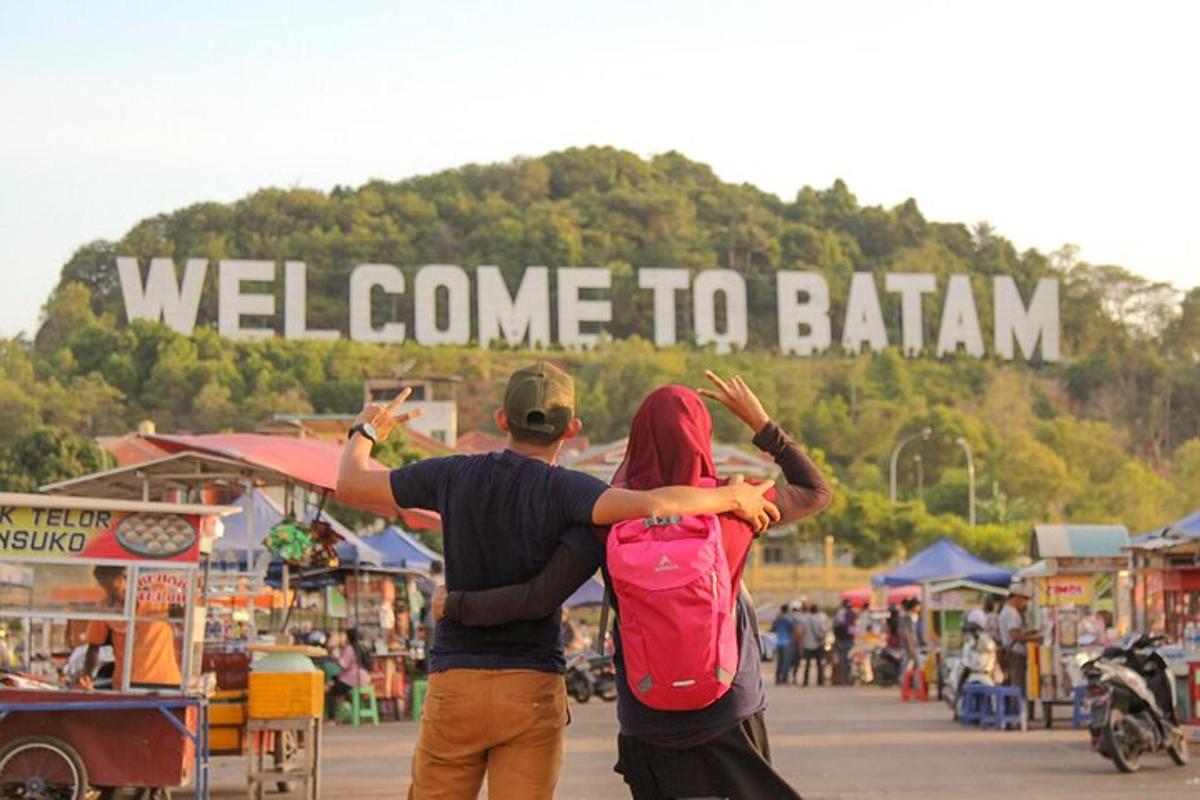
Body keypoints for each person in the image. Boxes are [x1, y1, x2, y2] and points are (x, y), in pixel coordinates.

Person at [335, 362, 780, 800]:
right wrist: (730, 495)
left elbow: (351, 484)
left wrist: (366, 431)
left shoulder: (450, 475)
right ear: (571, 430)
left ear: (501, 420)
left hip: (457, 680)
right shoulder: (572, 492)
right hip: (531, 686)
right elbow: (653, 505)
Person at [433, 373, 831, 800]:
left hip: (647, 713)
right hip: (729, 703)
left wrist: (455, 604)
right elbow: (815, 491)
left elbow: (539, 596)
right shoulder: (738, 504)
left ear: (637, 438)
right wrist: (761, 423)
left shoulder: (609, 515)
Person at [79, 565, 181, 691]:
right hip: (125, 684)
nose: (111, 594)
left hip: (162, 682)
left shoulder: (157, 597)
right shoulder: (106, 607)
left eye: (114, 589)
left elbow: (183, 618)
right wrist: (87, 676)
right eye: (105, 588)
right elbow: (94, 646)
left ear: (127, 579)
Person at [326, 628, 373, 718]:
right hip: (365, 678)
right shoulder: (364, 647)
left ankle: (333, 717)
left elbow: (343, 665)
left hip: (353, 678)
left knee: (332, 691)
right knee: (337, 682)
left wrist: (335, 657)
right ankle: (351, 711)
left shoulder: (350, 648)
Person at [999, 586, 1035, 694]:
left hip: (1012, 652)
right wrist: (1036, 638)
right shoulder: (1011, 613)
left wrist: (1029, 633)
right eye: (1023, 599)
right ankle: (1017, 709)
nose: (1024, 603)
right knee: (1017, 684)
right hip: (1016, 654)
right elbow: (1015, 636)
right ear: (1016, 598)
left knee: (1014, 683)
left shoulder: (1006, 611)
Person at [800, 603, 827, 687]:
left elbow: (802, 632)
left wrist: (802, 643)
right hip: (817, 644)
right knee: (819, 664)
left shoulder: (805, 619)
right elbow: (823, 631)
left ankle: (805, 681)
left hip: (807, 644)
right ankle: (820, 681)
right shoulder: (820, 619)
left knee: (807, 664)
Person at [832, 600, 857, 686]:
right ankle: (848, 679)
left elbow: (835, 626)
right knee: (849, 660)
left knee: (842, 660)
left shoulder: (839, 614)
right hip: (849, 639)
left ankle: (843, 680)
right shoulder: (852, 614)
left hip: (841, 640)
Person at [770, 604, 795, 685]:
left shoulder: (777, 619)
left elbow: (773, 629)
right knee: (786, 662)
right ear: (787, 610)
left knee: (779, 662)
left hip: (778, 642)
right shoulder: (788, 619)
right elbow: (792, 629)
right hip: (786, 642)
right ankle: (784, 679)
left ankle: (777, 678)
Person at [898, 598, 922, 677]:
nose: (920, 607)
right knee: (910, 664)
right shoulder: (907, 617)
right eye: (918, 606)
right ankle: (904, 682)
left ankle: (911, 684)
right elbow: (907, 632)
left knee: (912, 664)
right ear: (914, 606)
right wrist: (911, 646)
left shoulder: (912, 616)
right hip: (909, 645)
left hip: (911, 645)